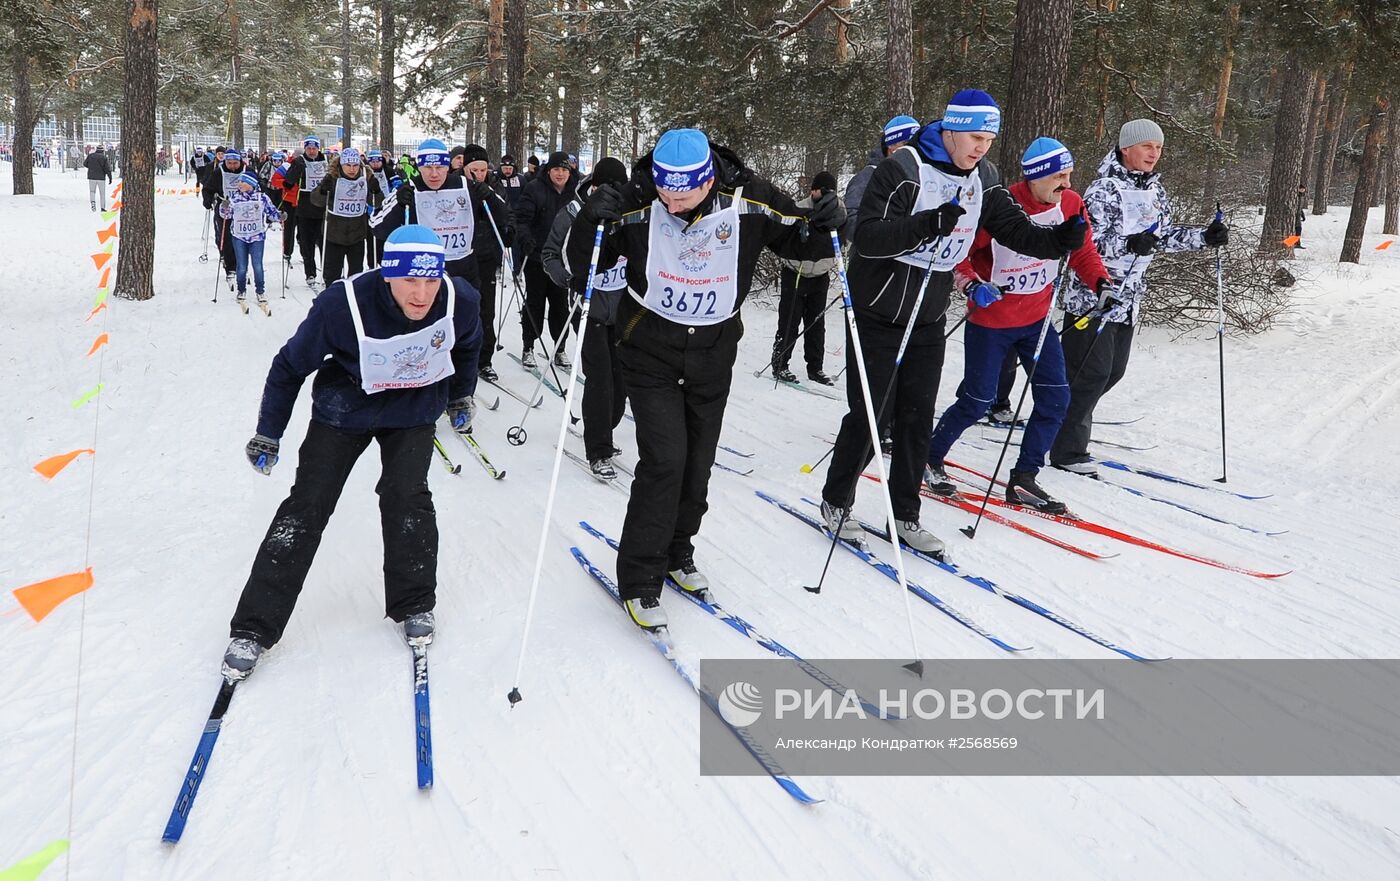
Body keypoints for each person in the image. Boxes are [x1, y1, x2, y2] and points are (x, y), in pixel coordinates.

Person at [565, 128, 842, 631]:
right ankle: (640, 578)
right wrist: (590, 221)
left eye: (684, 192)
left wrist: (829, 222)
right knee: (665, 461)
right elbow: (581, 266)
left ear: (709, 178)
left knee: (697, 463)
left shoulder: (751, 199)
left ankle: (678, 552)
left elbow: (802, 241)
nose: (673, 202)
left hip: (713, 353)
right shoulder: (639, 199)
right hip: (648, 348)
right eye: (665, 190)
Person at [818, 90, 1085, 553]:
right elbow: (869, 238)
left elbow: (1015, 230)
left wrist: (1060, 239)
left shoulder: (984, 175)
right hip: (877, 308)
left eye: (990, 138)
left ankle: (904, 515)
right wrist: (925, 224)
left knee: (918, 416)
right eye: (976, 137)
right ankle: (835, 501)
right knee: (871, 412)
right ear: (951, 130)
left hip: (926, 314)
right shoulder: (902, 168)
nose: (983, 147)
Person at [220, 225, 484, 680]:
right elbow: (288, 367)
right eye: (410, 281)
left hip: (414, 407)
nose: (422, 294)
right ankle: (254, 628)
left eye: (431, 280)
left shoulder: (460, 300)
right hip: (345, 409)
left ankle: (414, 603)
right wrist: (269, 432)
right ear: (388, 275)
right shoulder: (341, 306)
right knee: (307, 506)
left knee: (407, 497)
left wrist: (461, 395)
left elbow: (469, 345)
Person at [924, 137, 1110, 514]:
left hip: (1037, 321)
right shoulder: (1000, 205)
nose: (1067, 185)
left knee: (1056, 398)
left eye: (1070, 175)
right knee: (977, 401)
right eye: (1060, 176)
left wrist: (1101, 284)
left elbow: (1083, 251)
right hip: (991, 323)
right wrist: (973, 285)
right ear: (1037, 177)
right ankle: (929, 457)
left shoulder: (1071, 205)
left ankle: (1024, 478)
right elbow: (960, 257)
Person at [1049, 118, 1229, 477]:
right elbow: (1086, 246)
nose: (1153, 154)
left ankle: (1058, 418)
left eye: (1158, 148)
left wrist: (1204, 238)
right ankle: (1067, 448)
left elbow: (1161, 238)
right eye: (1147, 146)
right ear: (1125, 148)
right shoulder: (1103, 190)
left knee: (1113, 372)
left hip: (1129, 300)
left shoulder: (1155, 192)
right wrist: (1129, 243)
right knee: (1092, 375)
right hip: (1093, 297)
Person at [542, 156, 632, 479]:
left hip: (622, 310)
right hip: (588, 308)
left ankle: (603, 426)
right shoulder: (573, 212)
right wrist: (570, 278)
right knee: (601, 380)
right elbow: (550, 254)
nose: (610, 193)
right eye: (604, 187)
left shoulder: (629, 213)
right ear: (593, 184)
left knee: (621, 382)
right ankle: (599, 450)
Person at [371, 138, 496, 293]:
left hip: (464, 273)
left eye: (439, 167)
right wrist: (399, 205)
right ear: (420, 167)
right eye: (428, 167)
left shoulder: (465, 185)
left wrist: (489, 196)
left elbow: (503, 216)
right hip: (424, 275)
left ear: (447, 166)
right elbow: (376, 226)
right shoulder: (409, 188)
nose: (434, 173)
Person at [771, 170, 843, 385]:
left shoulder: (839, 211)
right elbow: (783, 240)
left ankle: (815, 368)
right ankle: (780, 364)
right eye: (821, 189)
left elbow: (843, 240)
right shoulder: (800, 208)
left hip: (820, 275)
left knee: (816, 324)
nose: (823, 193)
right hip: (795, 272)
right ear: (813, 190)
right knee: (789, 321)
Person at [515, 151, 579, 369]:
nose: (560, 174)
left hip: (563, 260)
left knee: (560, 305)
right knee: (535, 302)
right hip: (537, 256)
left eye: (564, 170)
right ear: (548, 170)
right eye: (556, 169)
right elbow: (521, 219)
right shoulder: (535, 188)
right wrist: (526, 239)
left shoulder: (575, 193)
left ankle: (560, 348)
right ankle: (528, 346)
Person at [460, 144, 515, 382]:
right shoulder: (456, 184)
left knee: (486, 310)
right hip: (460, 258)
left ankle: (484, 360)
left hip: (485, 256)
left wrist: (489, 195)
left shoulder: (494, 185)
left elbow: (505, 213)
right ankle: (457, 358)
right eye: (474, 169)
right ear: (465, 168)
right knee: (460, 308)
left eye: (483, 169)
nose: (479, 174)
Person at [309, 147, 386, 286]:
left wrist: (376, 190)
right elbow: (316, 201)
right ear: (341, 165)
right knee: (332, 275)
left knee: (356, 276)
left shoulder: (366, 177)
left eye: (355, 165)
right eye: (348, 165)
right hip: (334, 234)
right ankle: (332, 301)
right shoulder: (333, 177)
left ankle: (353, 301)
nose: (352, 169)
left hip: (357, 234)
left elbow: (377, 202)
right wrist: (322, 190)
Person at [219, 171, 282, 307]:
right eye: (239, 181)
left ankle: (260, 291)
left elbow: (272, 212)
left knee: (257, 265)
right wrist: (223, 207)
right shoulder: (234, 198)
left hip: (257, 236)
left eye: (243, 182)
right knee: (241, 266)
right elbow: (226, 215)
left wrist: (280, 216)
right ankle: (241, 290)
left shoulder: (262, 198)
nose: (239, 184)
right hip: (239, 236)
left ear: (251, 184)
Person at [844, 115, 920, 228]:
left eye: (917, 144)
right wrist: (883, 237)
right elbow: (851, 217)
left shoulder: (919, 174)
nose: (913, 149)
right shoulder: (868, 176)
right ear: (891, 145)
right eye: (906, 144)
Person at [281, 136, 332, 289]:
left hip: (323, 208)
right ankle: (310, 273)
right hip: (304, 206)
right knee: (306, 243)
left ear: (318, 149)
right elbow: (287, 184)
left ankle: (328, 273)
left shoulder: (328, 162)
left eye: (314, 148)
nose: (311, 151)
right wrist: (296, 169)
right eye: (309, 148)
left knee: (325, 242)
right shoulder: (299, 162)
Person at [203, 148, 253, 285]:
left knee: (242, 238)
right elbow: (208, 188)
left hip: (243, 208)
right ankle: (231, 268)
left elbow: (258, 184)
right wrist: (207, 200)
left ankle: (242, 266)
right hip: (225, 206)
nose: (232, 166)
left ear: (240, 161)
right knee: (227, 238)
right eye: (229, 163)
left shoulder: (247, 170)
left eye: (235, 163)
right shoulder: (219, 172)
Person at [365, 149, 401, 266]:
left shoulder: (388, 171)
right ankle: (372, 264)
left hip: (385, 210)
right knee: (371, 241)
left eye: (378, 161)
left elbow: (397, 185)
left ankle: (384, 262)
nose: (375, 164)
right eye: (372, 161)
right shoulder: (365, 172)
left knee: (383, 238)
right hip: (369, 210)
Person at [269, 151, 299, 269]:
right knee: (289, 229)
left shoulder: (310, 165)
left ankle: (305, 253)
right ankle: (287, 252)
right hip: (289, 201)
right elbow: (274, 180)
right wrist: (286, 184)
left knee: (304, 231)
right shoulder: (286, 166)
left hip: (305, 202)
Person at [84, 145, 112, 211]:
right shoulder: (104, 158)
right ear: (102, 151)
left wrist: (91, 167)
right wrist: (110, 177)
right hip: (101, 177)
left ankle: (93, 202)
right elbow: (107, 169)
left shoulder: (90, 156)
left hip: (91, 176)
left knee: (92, 191)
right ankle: (102, 207)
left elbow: (85, 164)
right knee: (102, 193)